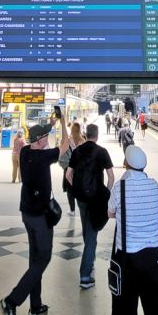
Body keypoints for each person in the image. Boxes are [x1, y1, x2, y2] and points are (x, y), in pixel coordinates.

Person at [0, 111, 70, 315]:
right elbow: (66, 144)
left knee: (35, 260)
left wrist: (50, 123)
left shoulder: (25, 152)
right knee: (44, 259)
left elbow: (45, 140)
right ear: (40, 142)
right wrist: (64, 123)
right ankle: (12, 300)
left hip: (27, 214)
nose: (48, 141)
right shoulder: (42, 157)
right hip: (40, 217)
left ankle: (36, 306)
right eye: (45, 138)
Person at [108, 145, 158, 315]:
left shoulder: (120, 187)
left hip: (128, 261)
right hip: (153, 260)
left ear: (126, 164)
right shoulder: (154, 185)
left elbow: (110, 213)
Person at [66, 123, 115, 289]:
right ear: (97, 134)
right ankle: (85, 276)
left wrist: (75, 188)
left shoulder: (77, 151)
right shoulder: (102, 152)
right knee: (92, 235)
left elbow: (68, 174)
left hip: (80, 197)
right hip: (95, 198)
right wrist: (106, 195)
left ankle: (90, 260)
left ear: (86, 134)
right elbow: (111, 177)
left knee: (87, 229)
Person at [63, 122, 85, 216]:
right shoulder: (83, 141)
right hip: (80, 169)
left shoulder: (68, 141)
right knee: (80, 188)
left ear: (72, 130)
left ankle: (72, 210)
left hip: (69, 167)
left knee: (70, 190)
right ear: (79, 130)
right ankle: (82, 208)